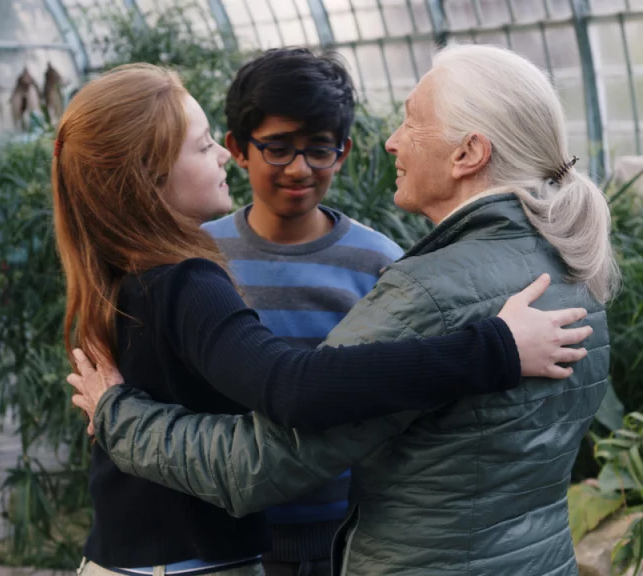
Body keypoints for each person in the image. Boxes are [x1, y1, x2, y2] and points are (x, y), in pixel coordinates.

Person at [70, 43, 617, 576]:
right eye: (275, 147)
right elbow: (295, 387)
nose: (392, 142)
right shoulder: (571, 270)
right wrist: (494, 347)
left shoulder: (416, 285)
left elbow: (276, 425)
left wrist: (119, 416)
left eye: (411, 121)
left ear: (467, 153)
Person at [203, 47, 397, 576]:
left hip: (347, 535)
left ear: (343, 151)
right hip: (224, 531)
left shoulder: (380, 263)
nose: (299, 168)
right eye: (278, 148)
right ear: (238, 149)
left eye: (318, 149)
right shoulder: (197, 256)